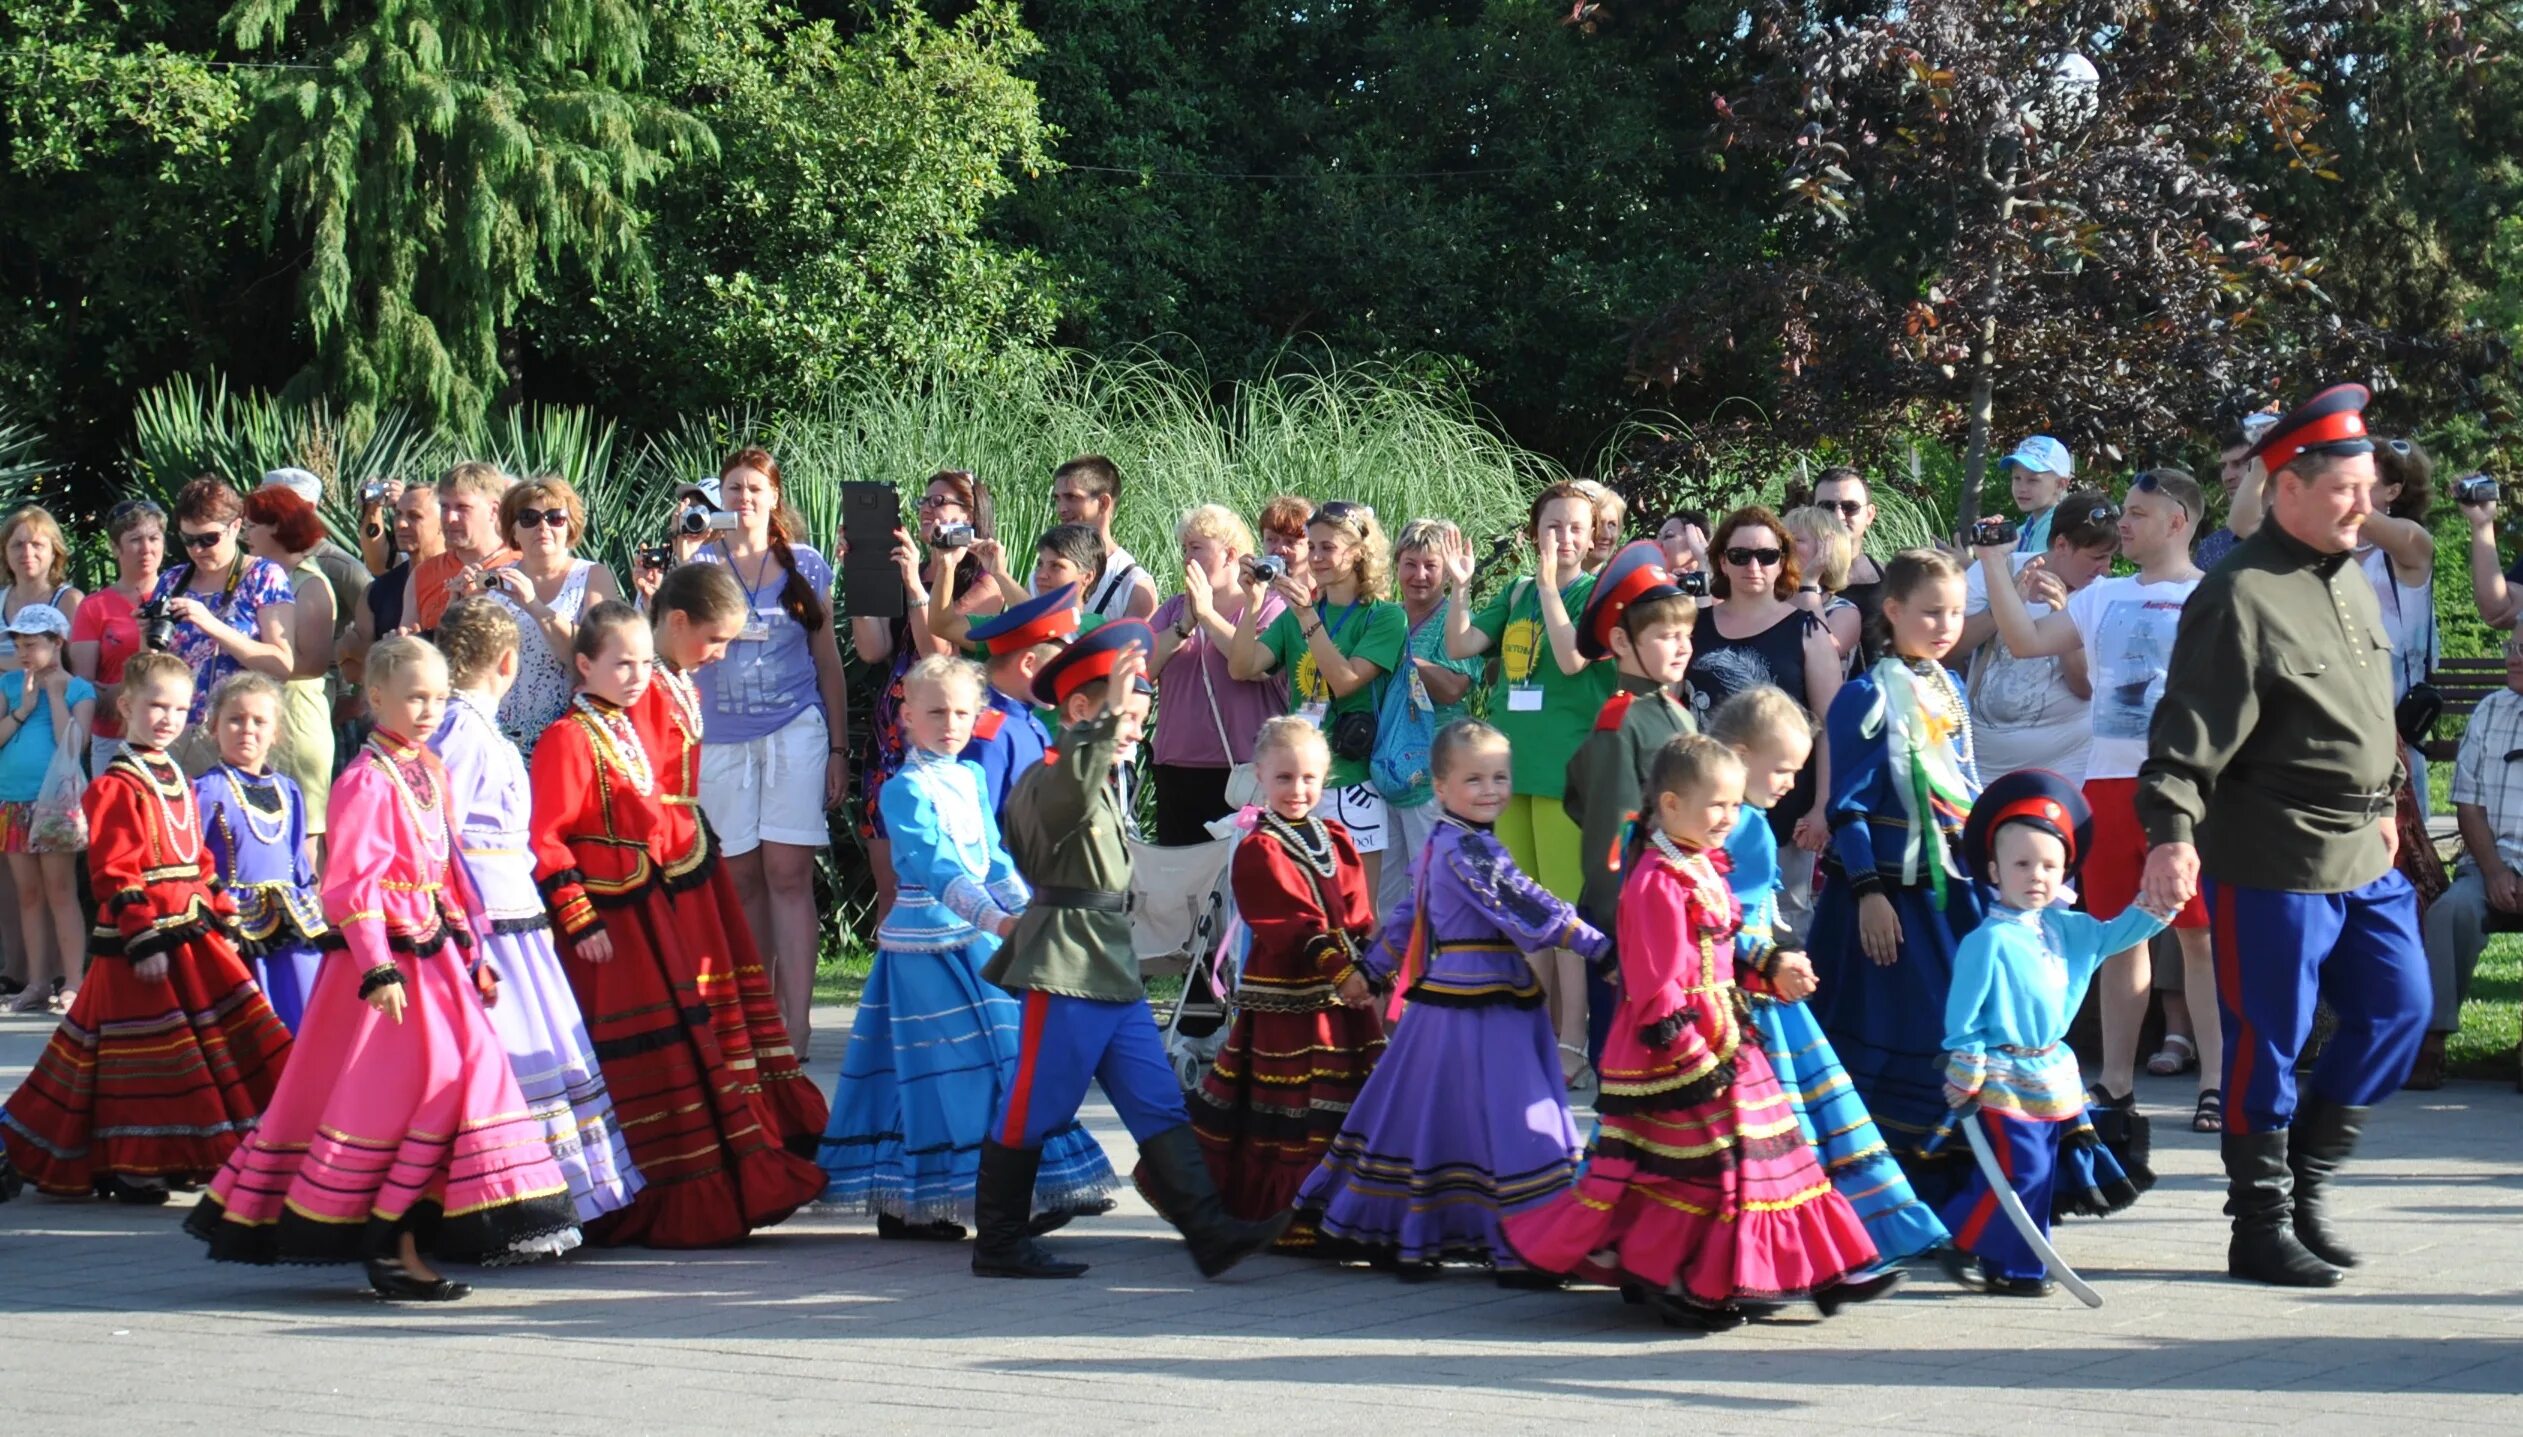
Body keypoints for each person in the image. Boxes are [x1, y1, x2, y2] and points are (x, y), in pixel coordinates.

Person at [2136, 382, 2430, 1290]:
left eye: (2371, 487)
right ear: (2287, 487)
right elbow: (2185, 731)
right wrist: (2170, 833)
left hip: (2363, 845)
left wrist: (2386, 802)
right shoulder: (2238, 592)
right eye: (2347, 488)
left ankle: (2302, 1180)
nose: (2365, 504)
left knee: (2398, 1009)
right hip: (2270, 848)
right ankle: (2257, 1225)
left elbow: (2366, 708)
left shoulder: (2344, 575)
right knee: (2269, 1034)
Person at [187, 636, 582, 1299]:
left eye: (436, 697)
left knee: (464, 1082)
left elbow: (451, 872)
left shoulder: (429, 770)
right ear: (376, 699)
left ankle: (399, 1233)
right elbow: (351, 883)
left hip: (438, 958)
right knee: (409, 1094)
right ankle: (392, 1243)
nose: (428, 710)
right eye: (414, 697)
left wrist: (475, 948)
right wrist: (376, 967)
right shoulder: (364, 780)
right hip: (389, 968)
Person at [1506, 734, 1900, 1328]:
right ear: (1670, 804)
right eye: (1716, 805)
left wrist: (1773, 968)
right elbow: (1657, 983)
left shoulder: (1699, 866)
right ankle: (1685, 1282)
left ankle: (1821, 1267)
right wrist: (1692, 1056)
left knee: (1782, 1154)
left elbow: (1719, 950)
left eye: (1734, 805)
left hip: (1727, 1032)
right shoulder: (1656, 882)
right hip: (1676, 1050)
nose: (1728, 818)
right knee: (1708, 1169)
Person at [975, 623, 1287, 1280]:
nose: (1135, 731)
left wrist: (1109, 725)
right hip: (1065, 961)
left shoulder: (1099, 775)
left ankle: (1209, 1232)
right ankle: (998, 1240)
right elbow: (1067, 802)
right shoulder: (1052, 775)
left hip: (1109, 961)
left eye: (1142, 718)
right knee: (1035, 1103)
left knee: (1156, 1100)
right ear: (1081, 710)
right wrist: (1099, 730)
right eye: (1125, 715)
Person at [530, 600, 827, 1248]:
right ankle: (639, 1192)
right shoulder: (567, 737)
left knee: (677, 1048)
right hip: (607, 925)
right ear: (584, 665)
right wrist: (579, 918)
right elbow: (547, 837)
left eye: (642, 662)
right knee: (636, 1055)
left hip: (645, 909)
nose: (636, 675)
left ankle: (697, 1185)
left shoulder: (621, 727)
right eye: (621, 663)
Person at [817, 654, 1118, 1240]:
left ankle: (943, 1198)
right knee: (944, 1068)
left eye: (961, 712)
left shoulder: (971, 776)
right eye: (935, 712)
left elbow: (992, 858)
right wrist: (1000, 923)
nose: (949, 723)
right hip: (925, 946)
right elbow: (936, 866)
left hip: (975, 933)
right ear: (906, 715)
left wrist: (1031, 910)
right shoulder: (904, 789)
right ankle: (954, 1197)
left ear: (977, 714)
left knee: (992, 1055)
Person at [1294, 719, 1605, 1282]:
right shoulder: (1469, 851)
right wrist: (1598, 945)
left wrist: (1371, 970)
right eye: (1474, 780)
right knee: (1516, 1118)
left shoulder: (1445, 841)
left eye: (1500, 778)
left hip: (1450, 1001)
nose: (1491, 790)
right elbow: (1526, 904)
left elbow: (1403, 923)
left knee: (1432, 1116)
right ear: (1440, 787)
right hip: (1479, 1003)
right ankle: (1529, 1239)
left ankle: (1420, 1226)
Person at [1974, 471, 2221, 1139]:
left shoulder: (2210, 594)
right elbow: (2025, 639)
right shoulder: (2103, 596)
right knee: (2120, 935)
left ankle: (2215, 1082)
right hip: (2107, 785)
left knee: (2198, 936)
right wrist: (1992, 562)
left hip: (2185, 789)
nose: (2124, 526)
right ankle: (2115, 1081)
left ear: (2177, 521)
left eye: (2139, 514)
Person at [0, 653, 291, 1201]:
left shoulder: (175, 771)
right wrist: (142, 934)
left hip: (191, 931)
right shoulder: (116, 783)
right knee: (148, 1058)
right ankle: (135, 1161)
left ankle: (168, 1151)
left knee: (185, 1047)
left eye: (179, 708)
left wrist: (221, 909)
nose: (167, 718)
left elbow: (196, 857)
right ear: (127, 707)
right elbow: (114, 869)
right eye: (156, 705)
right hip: (145, 939)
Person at [1710, 684, 1949, 1261]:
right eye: (1784, 769)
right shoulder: (1744, 827)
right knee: (1793, 1118)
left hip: (1739, 985)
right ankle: (1824, 1234)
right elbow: (1731, 918)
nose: (1792, 782)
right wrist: (1774, 957)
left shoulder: (1722, 821)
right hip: (1754, 991)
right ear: (1741, 759)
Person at [432, 597, 643, 1226]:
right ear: (507, 662)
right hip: (490, 915)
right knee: (512, 1047)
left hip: (513, 911)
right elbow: (443, 828)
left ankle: (548, 1188)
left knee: (542, 1046)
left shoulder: (477, 727)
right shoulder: (464, 730)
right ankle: (506, 1195)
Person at [1939, 771, 2168, 1297]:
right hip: (2001, 1072)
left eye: (2049, 864)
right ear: (1994, 870)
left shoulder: (2070, 929)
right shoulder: (1988, 940)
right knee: (2024, 1169)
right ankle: (2007, 1260)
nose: (2036, 876)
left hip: (2050, 1072)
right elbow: (1964, 1015)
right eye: (2021, 864)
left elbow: (2119, 934)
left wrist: (2160, 903)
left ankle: (1983, 1246)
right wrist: (1965, 1062)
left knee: (2037, 1171)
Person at [1805, 548, 1986, 1198]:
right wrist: (1868, 893)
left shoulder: (1949, 686)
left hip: (1947, 892)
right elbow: (1846, 806)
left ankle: (1942, 1184)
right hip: (1881, 896)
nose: (1945, 625)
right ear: (1892, 610)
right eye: (1930, 611)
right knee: (1884, 1034)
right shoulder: (1864, 695)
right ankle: (1869, 1188)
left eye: (1956, 612)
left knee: (1949, 1029)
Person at [627, 589, 829, 1152]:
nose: (721, 655)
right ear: (679, 620)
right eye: (716, 641)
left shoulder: (676, 683)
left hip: (686, 845)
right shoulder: (649, 687)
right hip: (664, 853)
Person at [1443, 480, 1612, 1084]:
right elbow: (1460, 643)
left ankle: (1572, 1040)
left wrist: (1548, 589)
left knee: (1563, 911)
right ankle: (1532, 1029)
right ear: (1532, 533)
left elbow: (1571, 659)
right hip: (1510, 773)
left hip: (1565, 774)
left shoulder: (1597, 594)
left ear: (1591, 536)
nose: (1563, 537)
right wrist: (1461, 589)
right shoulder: (1514, 592)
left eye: (1574, 527)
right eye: (1551, 526)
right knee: (1520, 910)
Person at [1191, 717, 1385, 1239]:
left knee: (1344, 1095)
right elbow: (1288, 920)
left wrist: (1371, 962)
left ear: (1326, 778)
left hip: (1341, 997)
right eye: (1284, 779)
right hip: (1286, 999)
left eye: (1309, 779)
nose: (1297, 791)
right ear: (1260, 775)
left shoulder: (1337, 838)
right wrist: (1340, 967)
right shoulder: (1259, 848)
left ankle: (1341, 1207)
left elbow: (1358, 909)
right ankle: (1288, 1213)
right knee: (1291, 1102)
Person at [687, 447, 852, 1057]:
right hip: (722, 737)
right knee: (740, 878)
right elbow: (668, 650)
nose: (744, 498)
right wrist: (680, 566)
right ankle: (757, 1017)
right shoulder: (701, 562)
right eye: (734, 488)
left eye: (755, 488)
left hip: (794, 730)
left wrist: (839, 748)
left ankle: (797, 1025)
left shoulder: (803, 564)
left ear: (774, 497)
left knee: (787, 874)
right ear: (720, 497)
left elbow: (827, 660)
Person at [1230, 500, 1407, 898]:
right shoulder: (1297, 615)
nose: (1316, 557)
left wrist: (1310, 618)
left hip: (1352, 782)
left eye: (1328, 547)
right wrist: (1251, 604)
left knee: (1357, 912)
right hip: (1298, 783)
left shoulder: (1384, 617)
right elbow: (1242, 667)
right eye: (1312, 547)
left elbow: (1345, 682)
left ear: (1358, 552)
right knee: (1298, 907)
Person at [1560, 542, 1696, 1051]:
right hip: (1632, 918)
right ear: (1620, 640)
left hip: (1675, 904)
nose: (1681, 646)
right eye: (1664, 635)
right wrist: (1614, 932)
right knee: (1630, 1057)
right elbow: (1608, 834)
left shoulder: (1670, 708)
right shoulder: (1621, 722)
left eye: (1686, 633)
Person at [1690, 504, 1844, 940]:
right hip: (1709, 805)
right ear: (1721, 560)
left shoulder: (1808, 630)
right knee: (1711, 927)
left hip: (1788, 810)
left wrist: (1823, 807)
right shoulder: (1694, 626)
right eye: (1740, 556)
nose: (1754, 566)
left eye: (1767, 555)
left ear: (1783, 561)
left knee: (1785, 929)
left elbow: (1831, 724)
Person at [853, 469, 998, 919]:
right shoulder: (905, 566)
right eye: (925, 501)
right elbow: (872, 648)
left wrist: (918, 587)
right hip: (891, 735)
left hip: (945, 734)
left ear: (970, 516)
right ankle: (892, 980)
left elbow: (939, 652)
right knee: (889, 884)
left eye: (941, 502)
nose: (928, 510)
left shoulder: (983, 582)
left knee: (946, 879)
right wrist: (860, 574)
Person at [2417, 631, 2523, 1090]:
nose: (2512, 659)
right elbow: (2468, 804)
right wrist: (2496, 870)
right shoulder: (2491, 709)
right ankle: (2432, 1040)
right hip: (2489, 861)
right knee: (2450, 912)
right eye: (2510, 648)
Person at [1954, 491, 2118, 787]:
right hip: (1983, 767)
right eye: (2097, 558)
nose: (2105, 569)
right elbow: (1950, 650)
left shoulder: (2101, 595)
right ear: (2062, 545)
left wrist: (2065, 613)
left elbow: (2083, 687)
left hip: (2067, 767)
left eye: (2109, 558)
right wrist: (2004, 607)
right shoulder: (1999, 569)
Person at [1149, 504, 1289, 844]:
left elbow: (1255, 670)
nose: (1186, 558)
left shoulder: (1268, 607)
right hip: (1176, 767)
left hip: (1243, 770)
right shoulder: (1173, 609)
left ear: (1229, 554)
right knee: (1180, 881)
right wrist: (1184, 624)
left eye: (1196, 548)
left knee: (1239, 877)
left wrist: (1208, 616)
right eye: (1184, 549)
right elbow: (1142, 668)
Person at [195, 674, 325, 1033]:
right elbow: (195, 864)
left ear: (276, 732)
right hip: (235, 924)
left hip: (290, 923)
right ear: (213, 727)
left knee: (301, 1018)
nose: (246, 729)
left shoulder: (289, 790)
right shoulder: (206, 791)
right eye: (235, 719)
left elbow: (299, 863)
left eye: (259, 721)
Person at [1374, 519, 1483, 913]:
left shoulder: (1453, 619)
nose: (1419, 575)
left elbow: (1456, 686)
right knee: (1387, 894)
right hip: (1386, 769)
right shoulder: (1385, 617)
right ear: (1396, 566)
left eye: (1430, 566)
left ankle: (1440, 972)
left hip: (1436, 772)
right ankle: (1391, 972)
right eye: (1410, 564)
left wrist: (1408, 660)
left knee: (1436, 887)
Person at [150, 477, 296, 772]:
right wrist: (147, 636)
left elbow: (282, 664)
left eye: (208, 539)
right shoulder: (172, 580)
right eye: (188, 540)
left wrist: (209, 623)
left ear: (235, 526)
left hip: (241, 736)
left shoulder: (263, 576)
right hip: (176, 733)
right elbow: (153, 667)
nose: (197, 550)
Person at [0, 606, 95, 1013]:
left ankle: (73, 980)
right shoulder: (8, 684)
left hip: (55, 803)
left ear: (58, 643)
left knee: (60, 891)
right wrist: (23, 706)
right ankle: (37, 981)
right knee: (28, 893)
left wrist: (54, 696)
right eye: (19, 644)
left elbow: (73, 743)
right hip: (12, 799)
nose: (24, 652)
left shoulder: (78, 690)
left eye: (33, 644)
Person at [483, 474, 621, 752]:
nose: (542, 527)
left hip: (569, 735)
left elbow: (594, 658)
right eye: (529, 518)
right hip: (501, 737)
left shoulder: (592, 577)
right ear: (513, 530)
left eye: (555, 517)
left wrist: (533, 605)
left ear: (570, 526)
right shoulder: (494, 583)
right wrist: (459, 600)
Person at [240, 486, 338, 857]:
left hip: (296, 719)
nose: (246, 535)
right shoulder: (253, 578)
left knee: (303, 837)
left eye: (252, 526)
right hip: (260, 715)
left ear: (277, 528)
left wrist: (242, 650)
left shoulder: (309, 583)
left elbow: (312, 663)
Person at [961, 584, 1079, 817]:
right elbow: (980, 830)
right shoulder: (989, 737)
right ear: (1027, 664)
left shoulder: (1031, 724)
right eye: (1058, 669)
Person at [70, 499, 167, 776]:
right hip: (114, 738)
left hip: (172, 732)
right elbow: (86, 689)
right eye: (135, 540)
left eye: (154, 538)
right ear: (115, 547)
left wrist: (117, 690)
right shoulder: (94, 607)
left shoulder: (182, 598)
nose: (146, 549)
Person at [344, 482, 444, 693]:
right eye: (398, 514)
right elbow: (351, 669)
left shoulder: (460, 583)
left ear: (444, 522)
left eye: (414, 516)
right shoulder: (377, 591)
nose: (401, 524)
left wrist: (368, 651)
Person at [258, 468, 371, 652]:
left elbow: (372, 637)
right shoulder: (258, 560)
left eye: (277, 505)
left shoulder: (343, 569)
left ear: (308, 509)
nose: (264, 512)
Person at [402, 460, 517, 635]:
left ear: (494, 510)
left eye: (463, 507)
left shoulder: (521, 565)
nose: (449, 518)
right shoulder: (422, 574)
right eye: (444, 507)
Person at [1049, 454, 1157, 620]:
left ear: (1103, 503)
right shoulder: (1049, 567)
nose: (1061, 508)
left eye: (1072, 497)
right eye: (1058, 498)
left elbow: (1135, 644)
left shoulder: (1133, 584)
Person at [1812, 467, 1888, 663]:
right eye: (1827, 507)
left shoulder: (1894, 580)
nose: (1838, 516)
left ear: (1869, 515)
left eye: (1850, 507)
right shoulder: (1791, 580)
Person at [0, 504, 82, 674]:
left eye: (37, 544)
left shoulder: (70, 600)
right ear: (5, 553)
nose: (27, 552)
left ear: (54, 552)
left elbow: (74, 667)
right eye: (18, 545)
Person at [1782, 504, 1863, 668]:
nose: (1784, 547)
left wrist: (1809, 583)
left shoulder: (1844, 612)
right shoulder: (1769, 600)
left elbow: (1822, 656)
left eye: (1797, 540)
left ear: (1828, 549)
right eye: (1782, 539)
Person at [1997, 435, 2076, 554]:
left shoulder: (2054, 527)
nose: (2022, 488)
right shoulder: (2026, 529)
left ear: (2060, 485)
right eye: (2017, 478)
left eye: (2033, 480)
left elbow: (2033, 572)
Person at [1255, 494, 1312, 574]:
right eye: (1271, 539)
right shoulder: (1257, 586)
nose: (1279, 550)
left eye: (1290, 541)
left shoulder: (1327, 586)